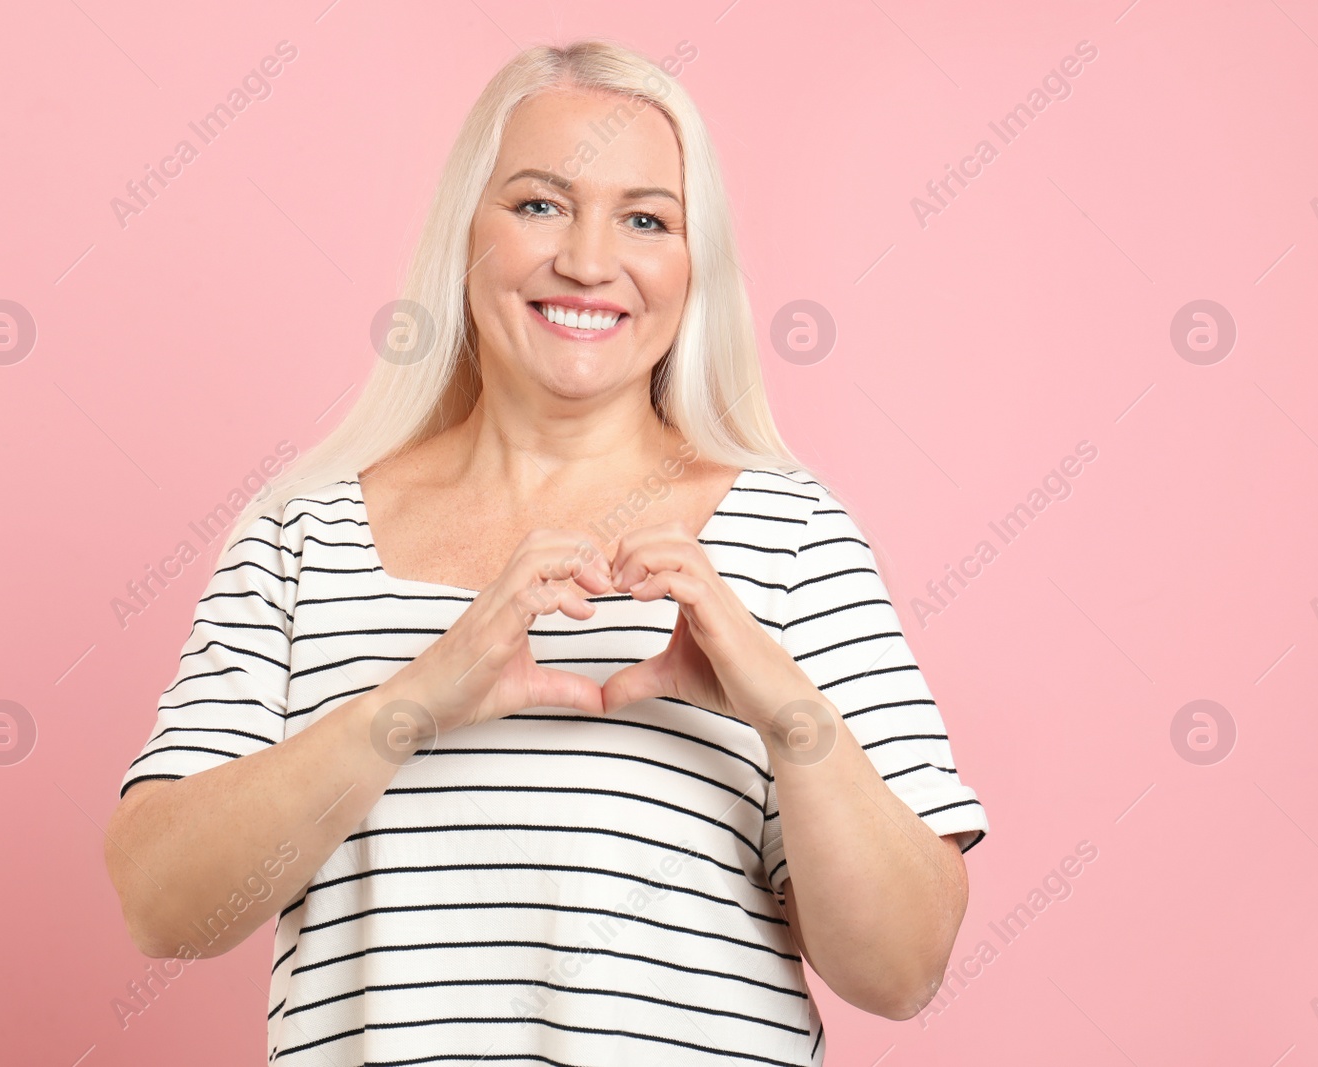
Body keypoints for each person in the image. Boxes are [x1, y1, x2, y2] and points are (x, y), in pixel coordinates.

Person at [103, 38, 988, 1066]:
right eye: (537, 204)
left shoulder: (791, 534)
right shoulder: (302, 530)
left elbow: (903, 968)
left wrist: (785, 715)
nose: (585, 259)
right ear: (464, 232)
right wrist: (412, 703)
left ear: (692, 266)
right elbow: (162, 906)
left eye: (647, 218)